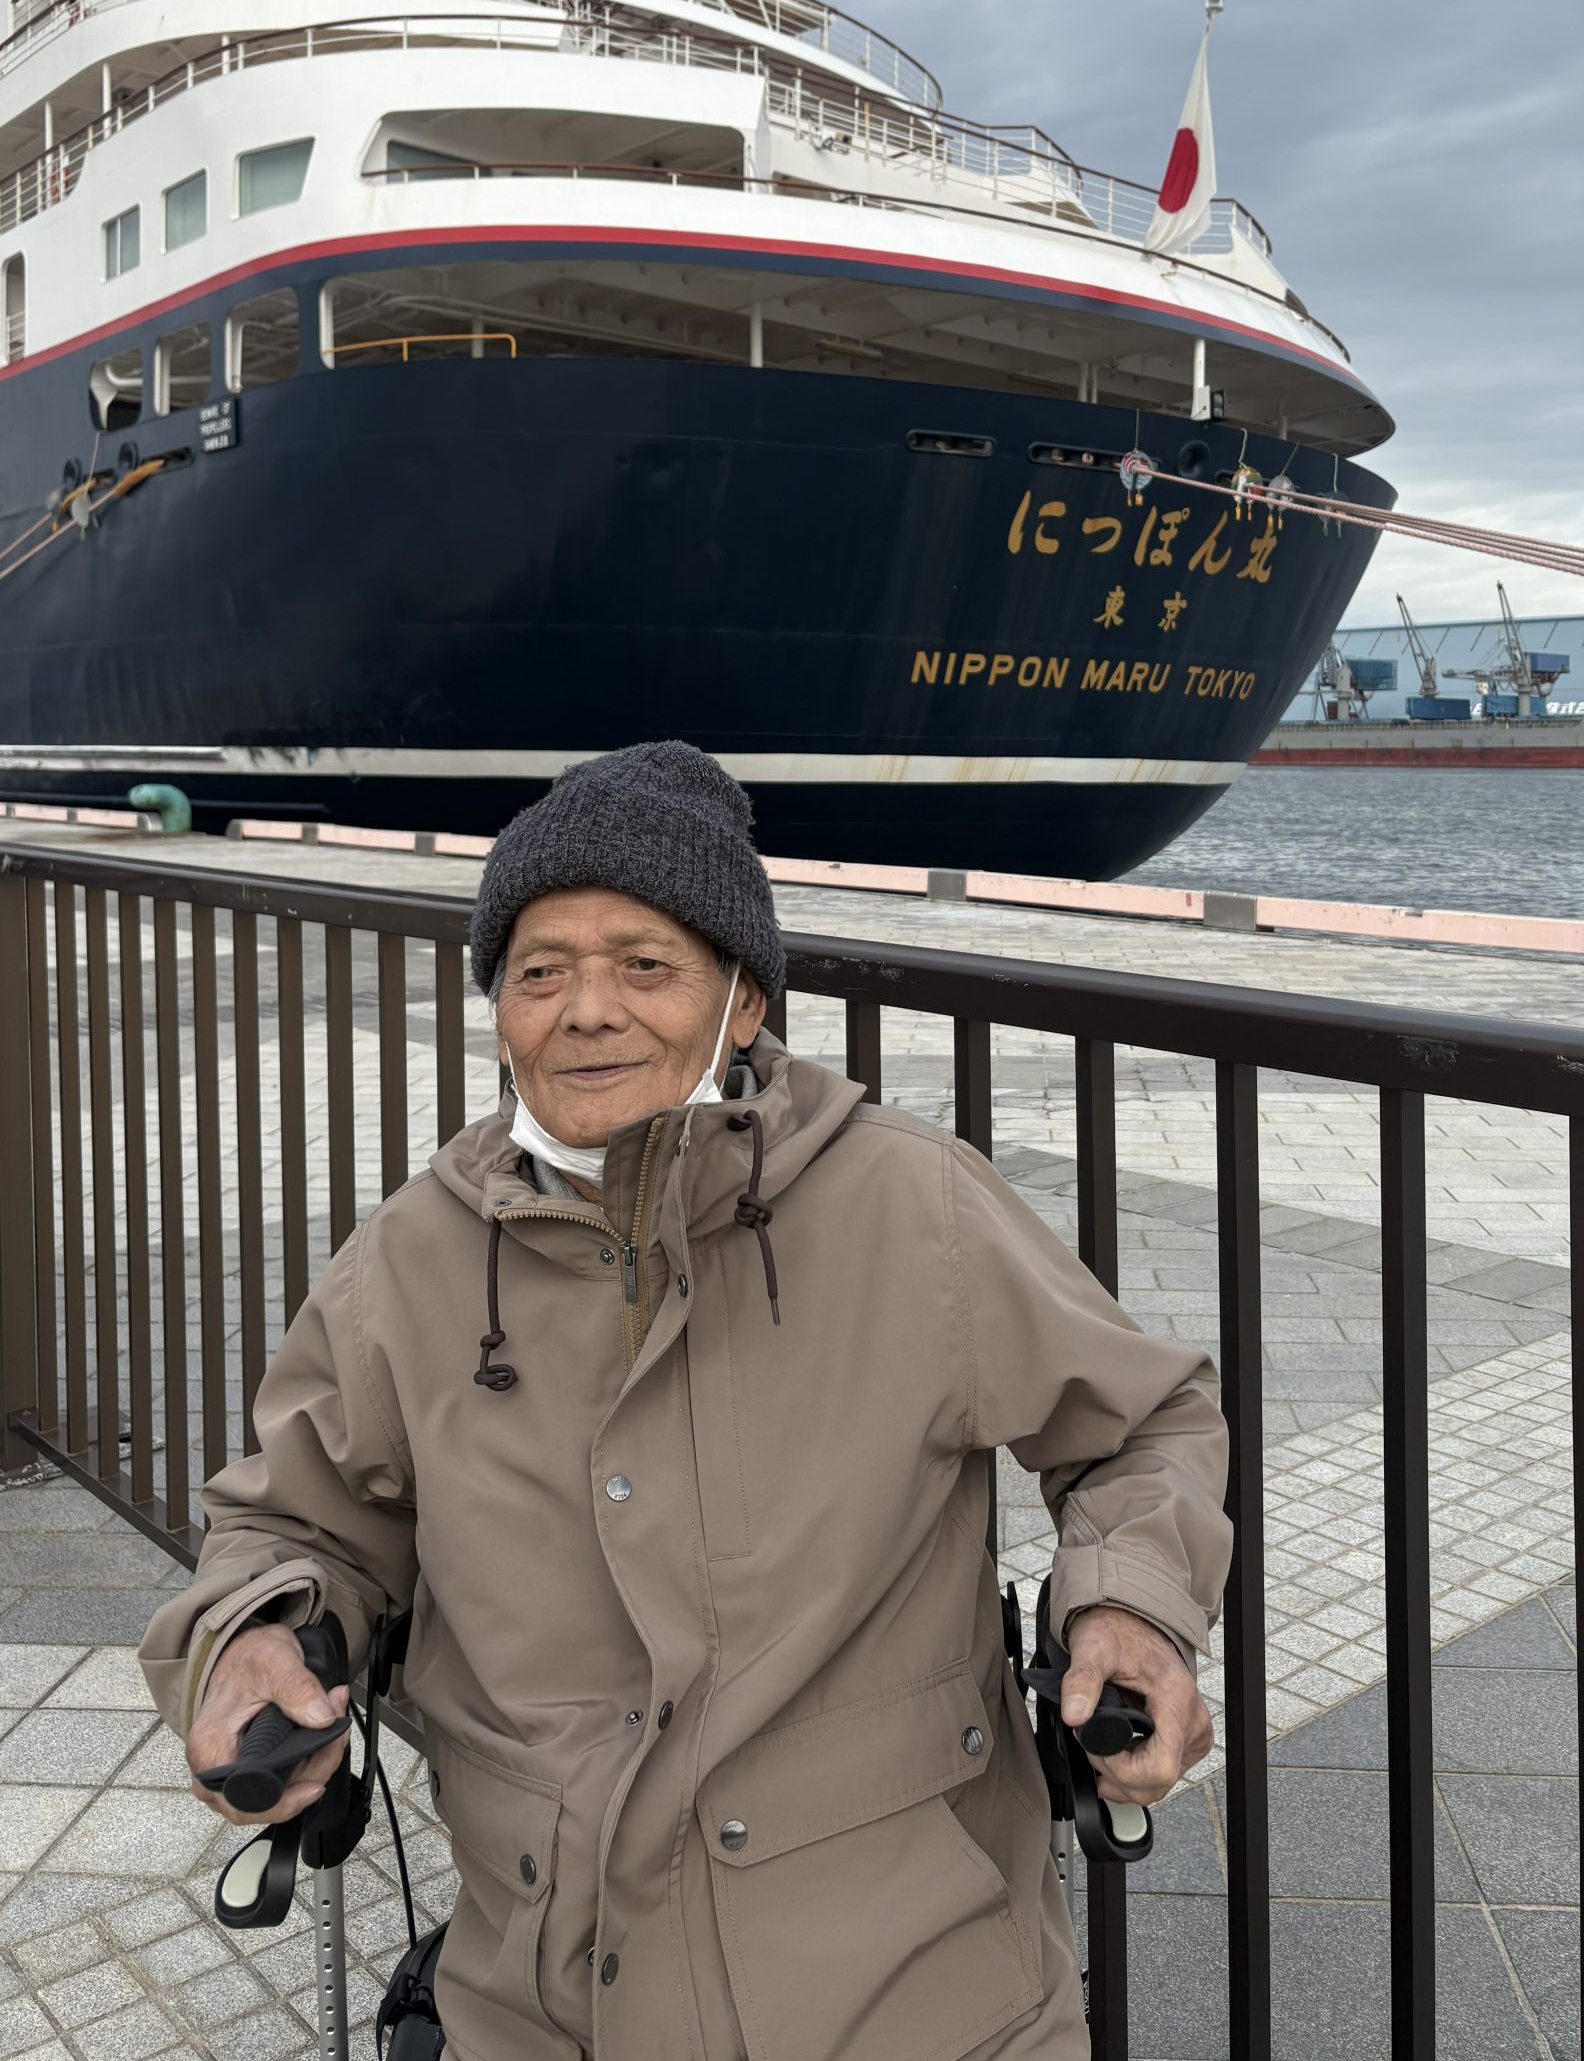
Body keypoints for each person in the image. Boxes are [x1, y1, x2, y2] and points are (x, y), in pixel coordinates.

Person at [141, 742, 1232, 2060]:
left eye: (646, 965)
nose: (586, 1011)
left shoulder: (911, 1204)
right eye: (539, 972)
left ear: (745, 1001)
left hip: (921, 1988)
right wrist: (256, 1632)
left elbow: (1142, 1423)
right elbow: (297, 1522)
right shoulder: (409, 1260)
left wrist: (1128, 1603)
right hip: (537, 1999)